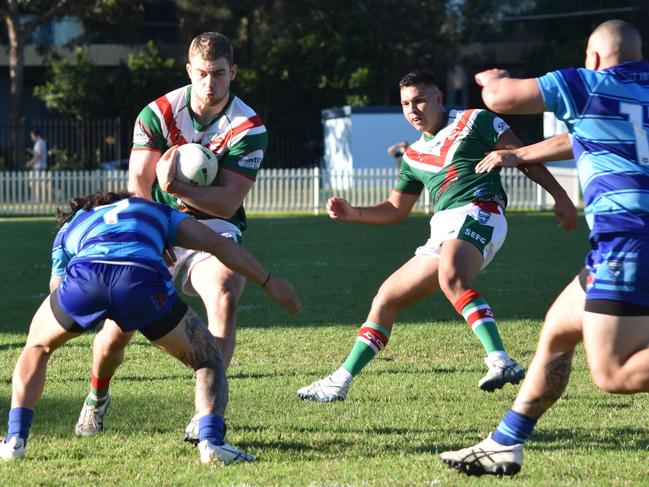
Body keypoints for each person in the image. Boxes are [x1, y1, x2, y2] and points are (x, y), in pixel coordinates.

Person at [440, 19, 649, 477]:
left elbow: (502, 99)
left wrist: (492, 82)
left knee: (612, 373)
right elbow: (578, 138)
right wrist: (519, 154)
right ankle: (505, 443)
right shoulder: (636, 96)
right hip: (630, 238)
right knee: (557, 330)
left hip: (628, 238)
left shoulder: (588, 82)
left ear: (592, 58)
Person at [297, 69, 576, 403]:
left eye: (420, 100)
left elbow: (524, 157)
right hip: (443, 228)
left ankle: (500, 359)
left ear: (439, 98)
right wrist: (354, 212)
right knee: (387, 298)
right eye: (405, 103)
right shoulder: (413, 156)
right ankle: (339, 382)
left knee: (452, 276)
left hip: (480, 210)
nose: (413, 110)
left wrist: (560, 197)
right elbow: (396, 208)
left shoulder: (476, 120)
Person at [0, 184, 300, 463]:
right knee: (209, 358)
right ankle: (211, 441)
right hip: (141, 279)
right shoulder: (156, 210)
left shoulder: (71, 225)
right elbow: (214, 243)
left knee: (37, 345)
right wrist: (268, 281)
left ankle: (15, 440)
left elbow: (57, 286)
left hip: (85, 277)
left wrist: (91, 305)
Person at [74, 32, 267, 441]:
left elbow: (228, 203)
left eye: (218, 74)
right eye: (202, 74)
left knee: (227, 289)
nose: (210, 83)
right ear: (189, 72)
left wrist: (179, 189)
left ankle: (207, 414)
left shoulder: (248, 126)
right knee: (116, 331)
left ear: (233, 72)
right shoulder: (158, 112)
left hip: (211, 224)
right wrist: (150, 236)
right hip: (154, 219)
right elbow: (140, 183)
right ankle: (96, 396)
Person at [26, 130, 48, 202]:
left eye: (32, 136)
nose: (32, 137)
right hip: (39, 166)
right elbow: (38, 154)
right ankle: (57, 192)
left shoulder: (40, 143)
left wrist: (30, 163)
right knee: (41, 183)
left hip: (40, 166)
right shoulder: (39, 143)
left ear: (37, 135)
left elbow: (38, 155)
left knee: (34, 182)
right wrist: (32, 152)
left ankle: (37, 199)